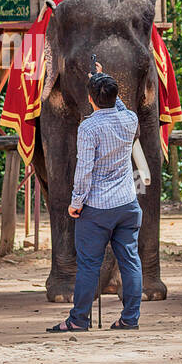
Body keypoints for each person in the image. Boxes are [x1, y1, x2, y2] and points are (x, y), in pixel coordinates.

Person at [47, 71, 143, 333]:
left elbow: (84, 170)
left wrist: (76, 202)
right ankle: (130, 318)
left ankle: (79, 319)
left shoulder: (88, 127)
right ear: (114, 96)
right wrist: (101, 77)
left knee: (89, 264)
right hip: (127, 204)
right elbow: (117, 105)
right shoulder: (130, 119)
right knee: (130, 260)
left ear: (90, 99)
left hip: (97, 208)